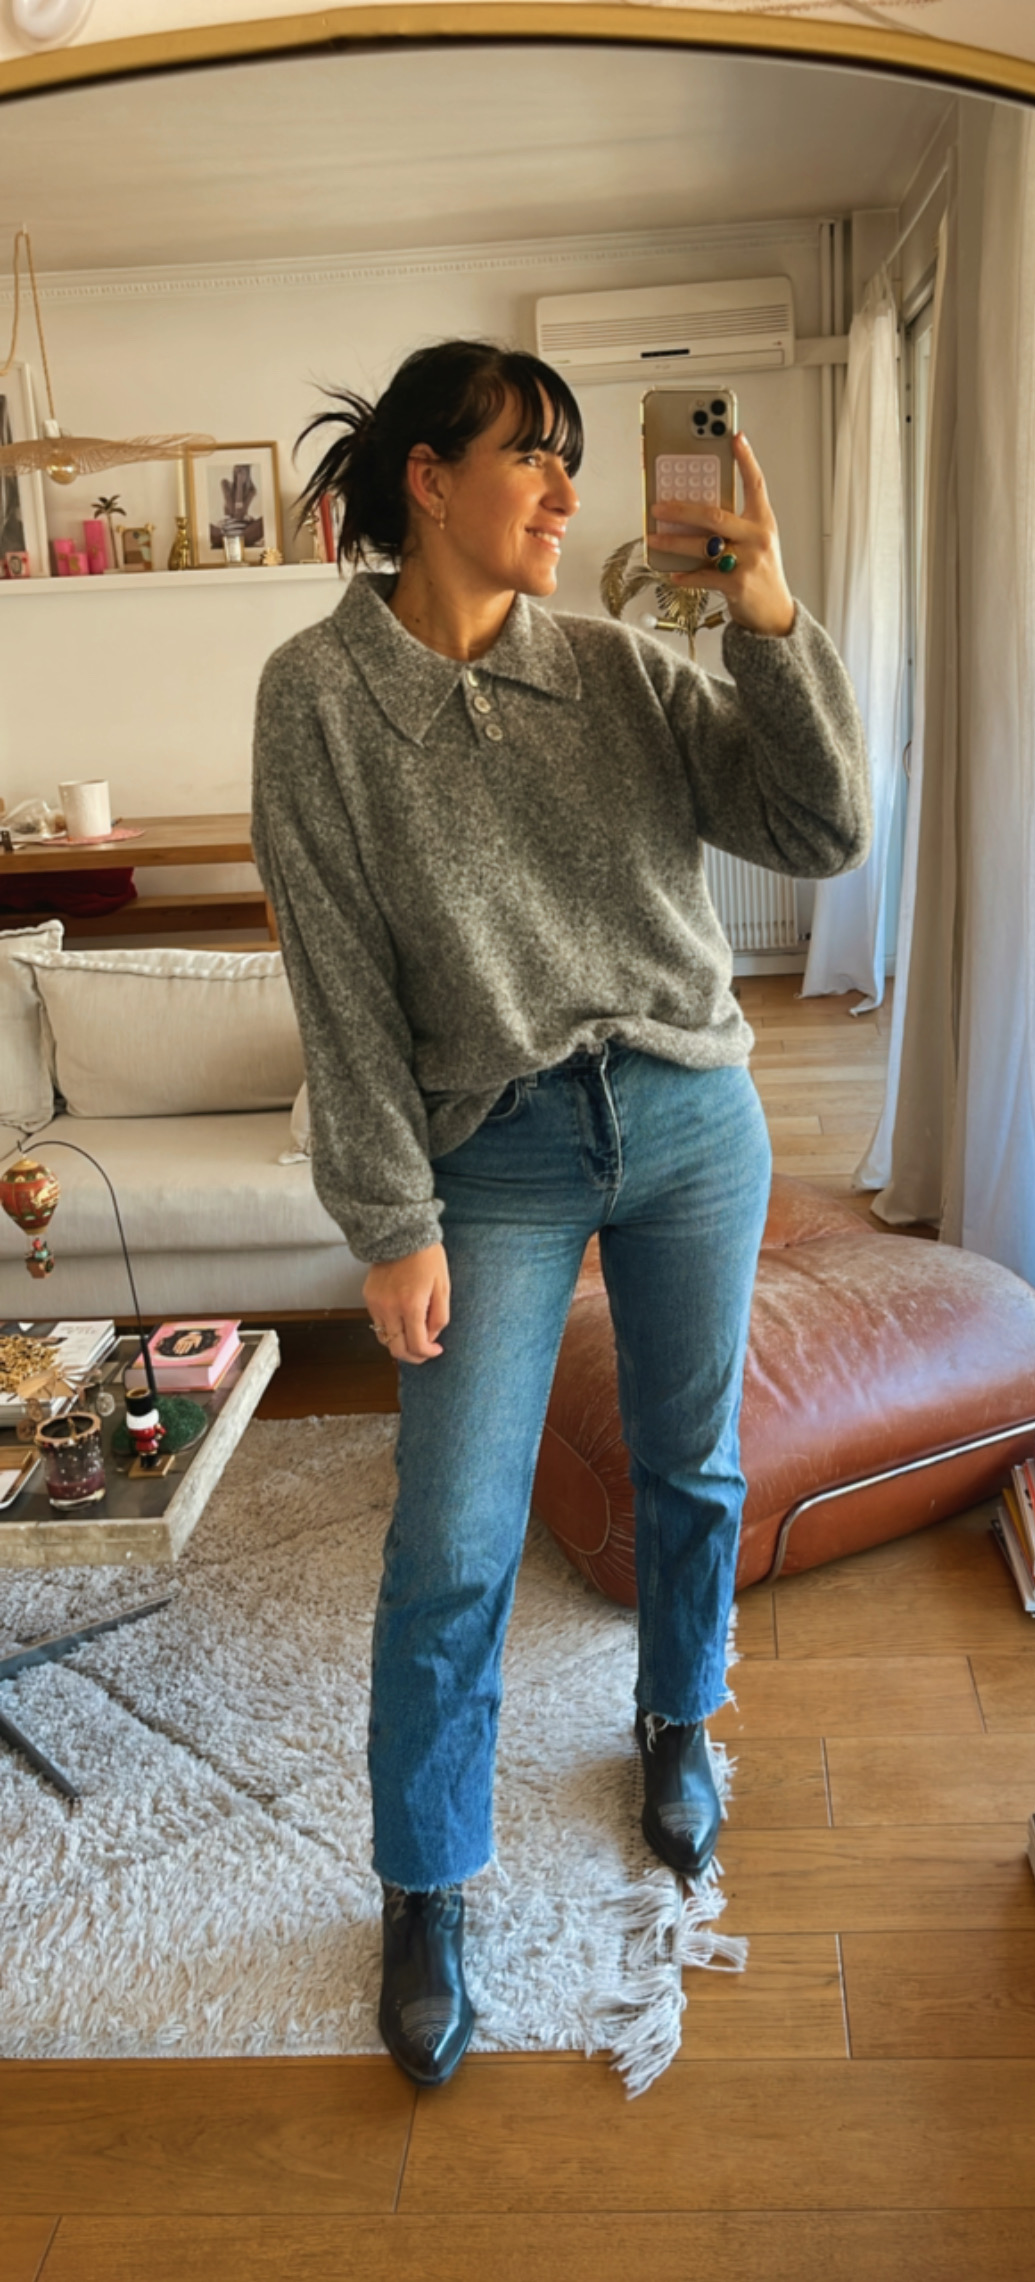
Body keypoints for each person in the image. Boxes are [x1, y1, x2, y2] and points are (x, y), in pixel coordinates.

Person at [250, 339, 870, 2089]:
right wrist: (390, 1216)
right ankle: (427, 1878)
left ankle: (677, 1716)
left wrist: (766, 614)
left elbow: (823, 824)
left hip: (687, 1117)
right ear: (429, 477)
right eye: (533, 454)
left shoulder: (619, 667)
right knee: (453, 1538)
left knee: (693, 1465)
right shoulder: (317, 699)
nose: (569, 493)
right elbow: (340, 983)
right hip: (494, 1158)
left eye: (575, 458)